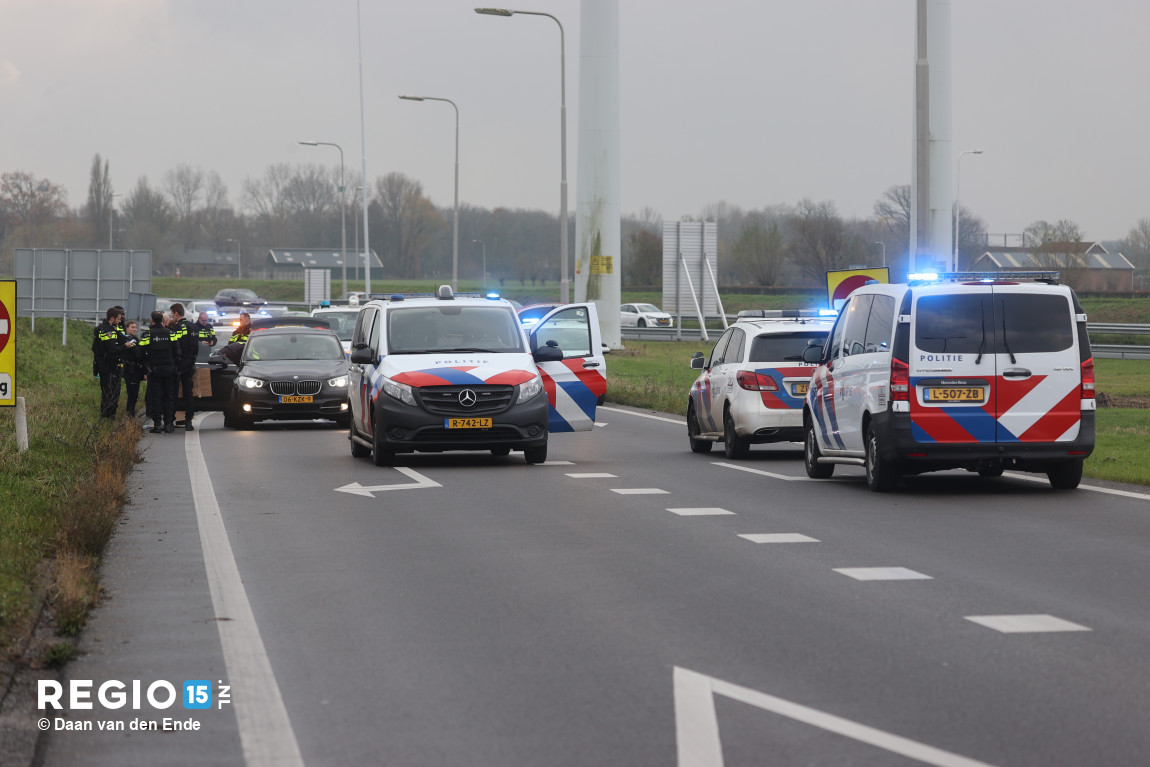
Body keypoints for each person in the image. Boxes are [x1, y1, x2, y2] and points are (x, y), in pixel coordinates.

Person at [138, 310, 181, 433]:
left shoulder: (147, 335)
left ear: (152, 320)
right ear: (162, 320)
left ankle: (157, 425)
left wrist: (146, 364)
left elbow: (139, 352)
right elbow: (178, 352)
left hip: (155, 371)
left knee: (156, 398)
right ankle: (168, 424)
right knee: (169, 397)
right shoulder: (171, 333)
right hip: (169, 370)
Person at [92, 307, 132, 418]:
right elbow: (113, 349)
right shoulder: (109, 331)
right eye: (118, 319)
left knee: (107, 392)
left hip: (102, 364)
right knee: (111, 392)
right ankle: (108, 416)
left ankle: (106, 416)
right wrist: (125, 346)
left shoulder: (100, 328)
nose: (120, 322)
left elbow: (94, 348)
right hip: (109, 366)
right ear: (112, 318)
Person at [169, 303, 201, 431]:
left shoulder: (179, 327)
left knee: (173, 394)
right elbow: (196, 347)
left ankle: (171, 422)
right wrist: (192, 360)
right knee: (189, 395)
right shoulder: (193, 327)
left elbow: (175, 346)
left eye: (172, 314)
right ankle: (188, 422)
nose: (172, 316)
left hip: (178, 365)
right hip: (189, 364)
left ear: (176, 313)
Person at [122, 319, 147, 418]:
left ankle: (131, 414)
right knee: (132, 394)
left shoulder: (135, 339)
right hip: (130, 371)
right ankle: (129, 415)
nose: (135, 329)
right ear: (127, 328)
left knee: (135, 394)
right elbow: (138, 353)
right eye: (132, 327)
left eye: (136, 327)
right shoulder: (127, 339)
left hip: (136, 371)